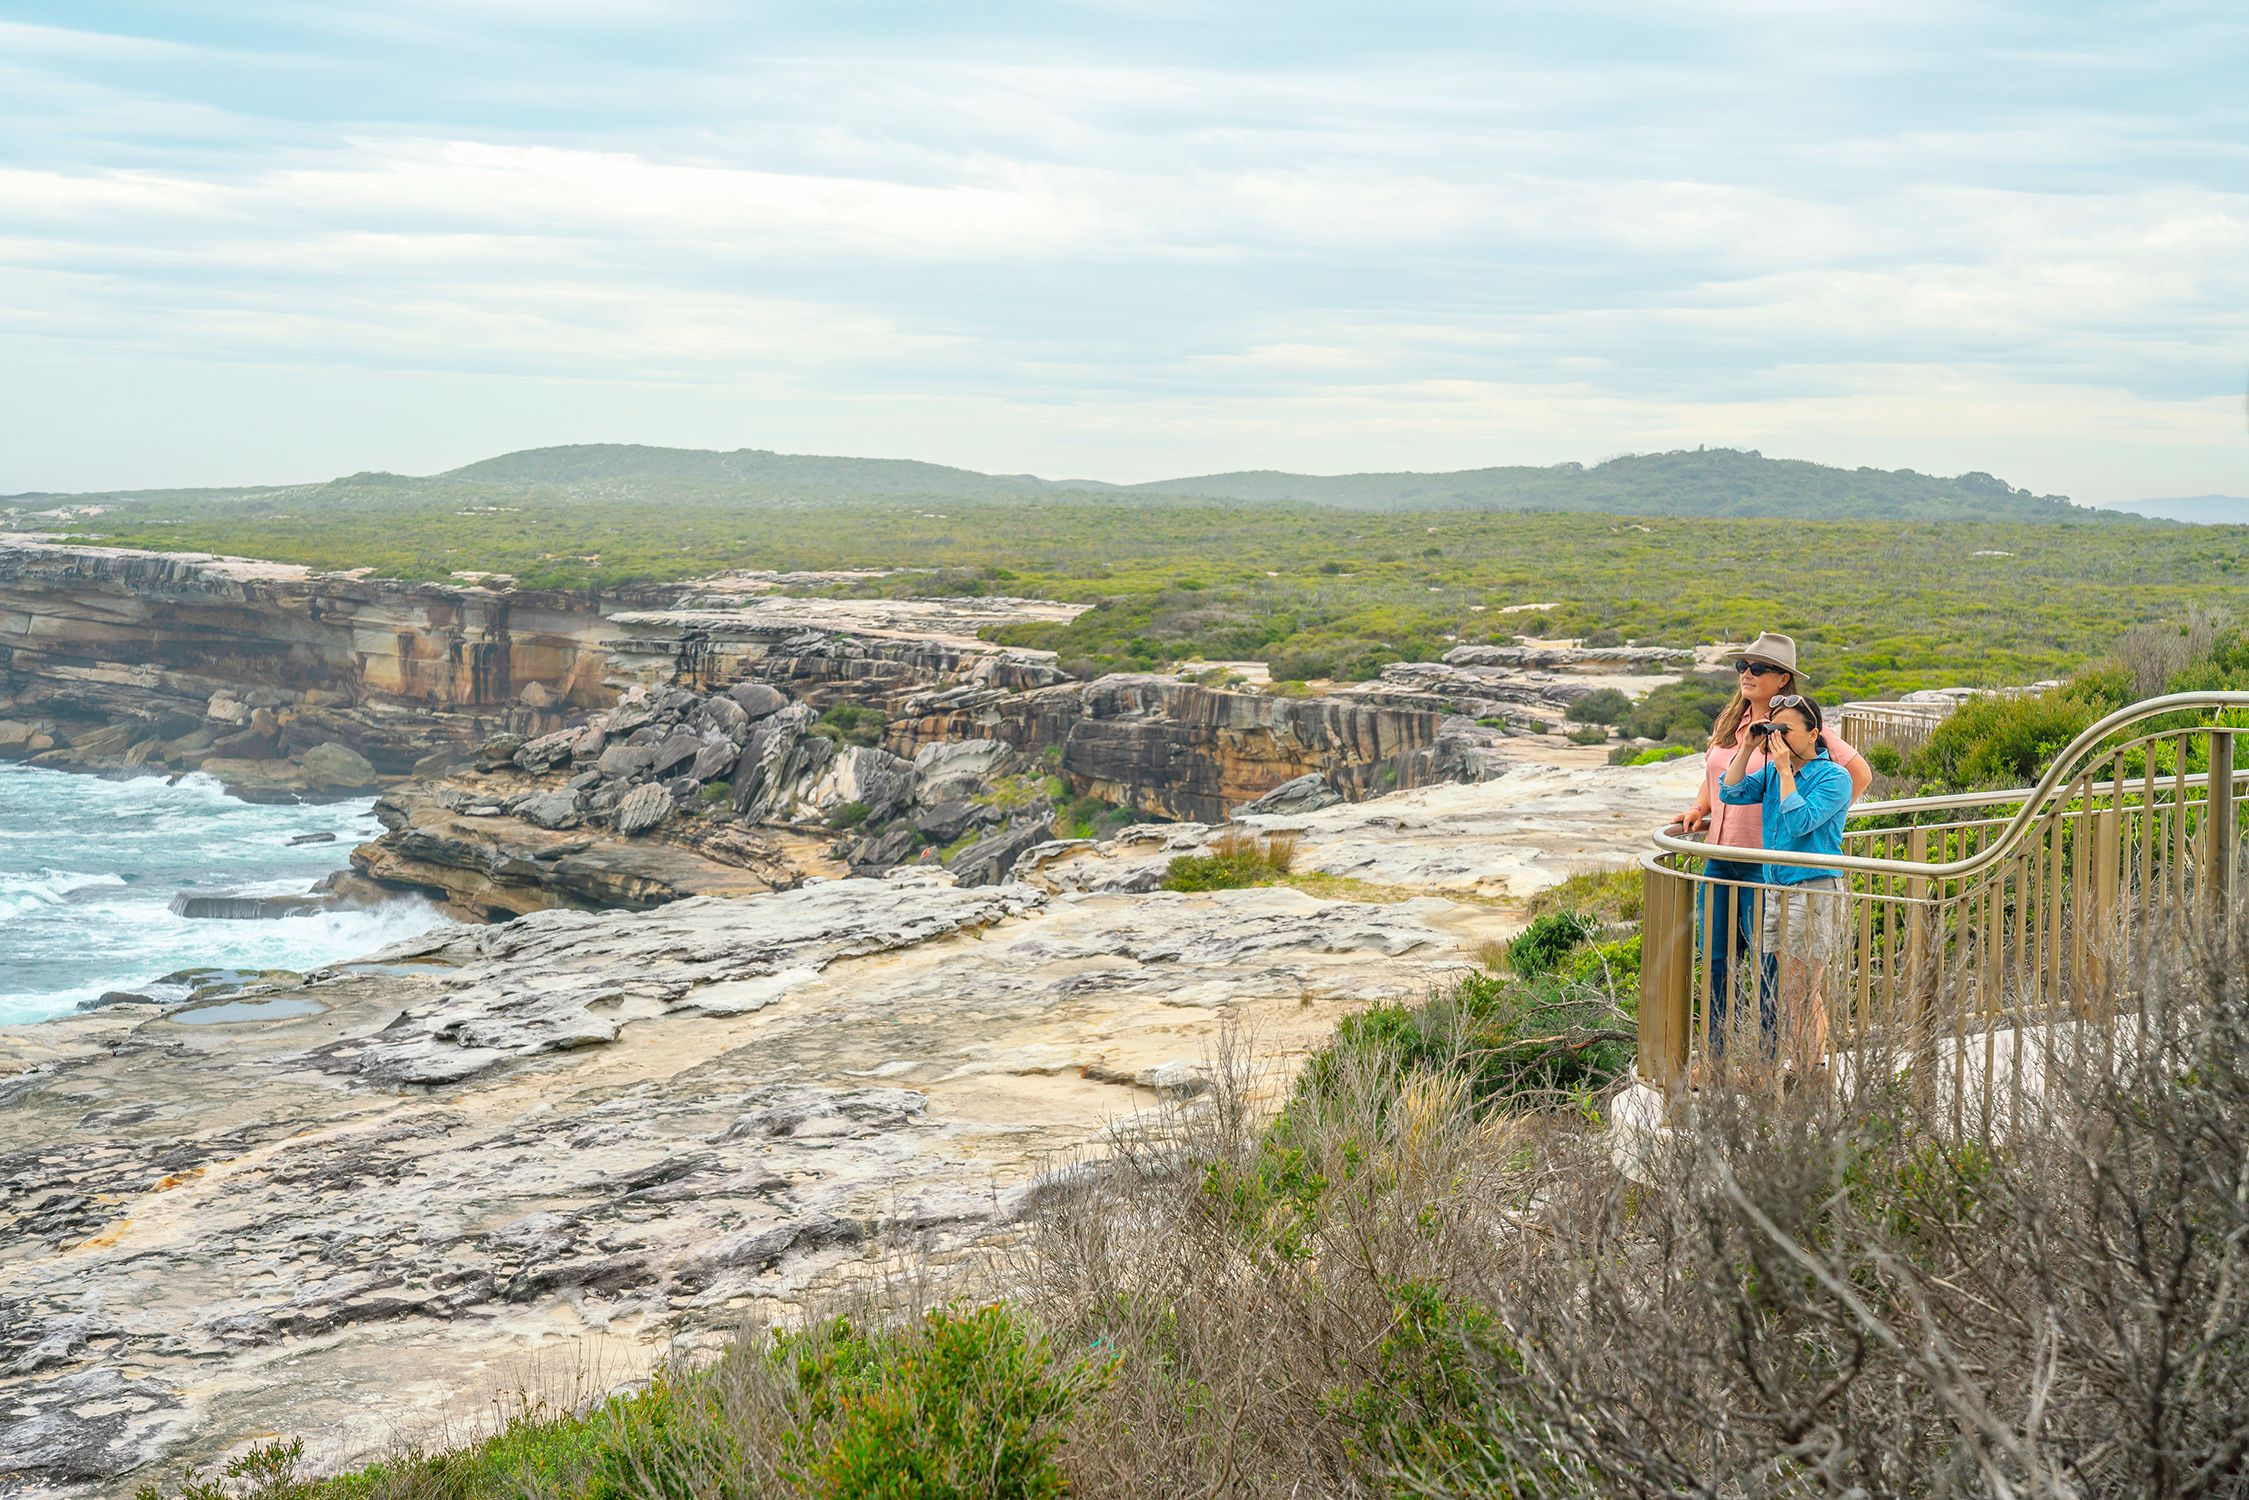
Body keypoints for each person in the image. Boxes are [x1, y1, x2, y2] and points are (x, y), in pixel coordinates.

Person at [1672, 633, 1869, 1057]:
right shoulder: (1732, 723)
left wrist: (1812, 822)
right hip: (1720, 855)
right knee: (1715, 965)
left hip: (1768, 864)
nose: (1746, 674)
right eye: (1742, 666)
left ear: (1783, 679)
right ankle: (1715, 1058)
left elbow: (1858, 774)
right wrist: (1698, 805)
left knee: (1770, 972)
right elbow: (1721, 780)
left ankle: (1769, 1061)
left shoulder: (1802, 725)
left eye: (1757, 668)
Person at [1716, 693, 1852, 1070]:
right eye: (1775, 729)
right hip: (1778, 889)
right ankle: (1811, 1065)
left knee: (1802, 989)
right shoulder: (1775, 772)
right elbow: (1730, 791)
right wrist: (1746, 747)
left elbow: (1800, 822)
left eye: (1786, 730)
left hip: (1812, 889)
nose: (1779, 738)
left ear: (1814, 734)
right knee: (1793, 990)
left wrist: (1787, 773)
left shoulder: (1833, 777)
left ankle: (1812, 1069)